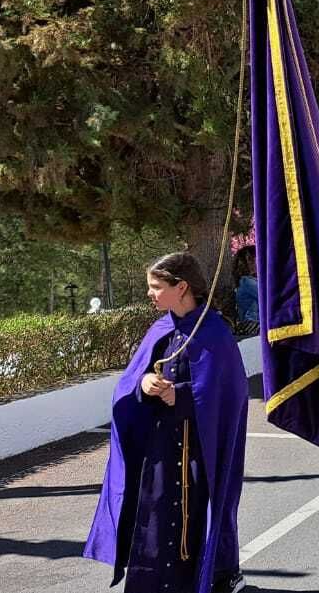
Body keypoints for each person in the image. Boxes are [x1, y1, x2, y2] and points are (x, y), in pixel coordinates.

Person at [85, 252, 249, 593]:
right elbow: (131, 381)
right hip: (160, 450)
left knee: (195, 518)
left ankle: (215, 577)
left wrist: (183, 396)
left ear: (182, 287)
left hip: (199, 451)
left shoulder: (214, 333)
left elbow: (229, 394)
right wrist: (144, 383)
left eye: (156, 286)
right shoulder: (160, 328)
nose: (150, 293)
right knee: (156, 516)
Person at [232, 246, 259, 335]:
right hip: (253, 324)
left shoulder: (248, 281)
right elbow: (268, 296)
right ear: (249, 262)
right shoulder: (246, 282)